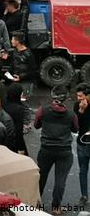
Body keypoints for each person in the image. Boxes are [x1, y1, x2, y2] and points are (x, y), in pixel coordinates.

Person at [34, 86, 78, 214]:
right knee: (60, 180)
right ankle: (56, 207)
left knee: (41, 177)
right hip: (64, 152)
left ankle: (36, 204)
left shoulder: (43, 110)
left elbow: (36, 125)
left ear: (53, 96)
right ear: (65, 98)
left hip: (46, 150)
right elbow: (75, 129)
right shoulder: (71, 114)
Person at [75, 84, 90, 205]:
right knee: (83, 170)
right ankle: (84, 195)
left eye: (80, 96)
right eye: (77, 95)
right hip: (82, 144)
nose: (79, 98)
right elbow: (75, 125)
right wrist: (81, 110)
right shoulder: (77, 106)